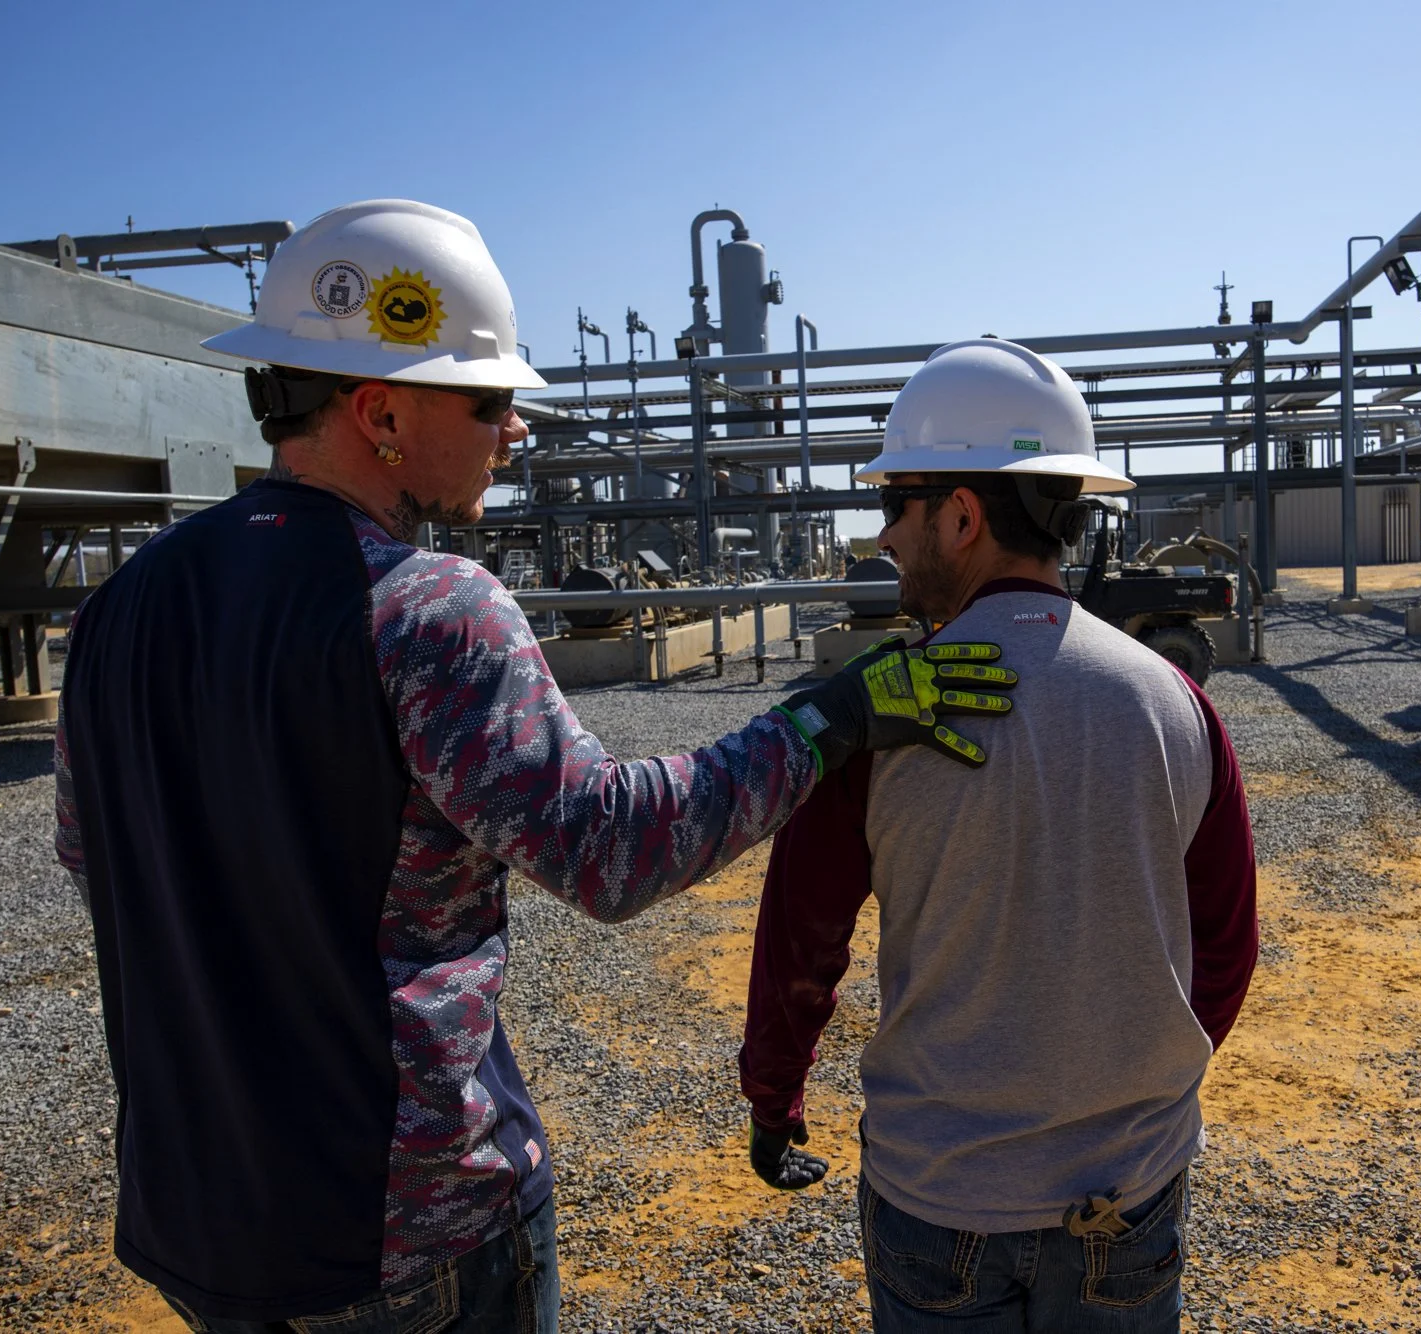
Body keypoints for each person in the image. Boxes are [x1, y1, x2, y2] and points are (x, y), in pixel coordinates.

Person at [52, 200, 1024, 1332]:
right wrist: (826, 719)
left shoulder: (120, 609)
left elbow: (96, 860)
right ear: (378, 412)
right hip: (403, 1231)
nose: (515, 429)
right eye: (489, 399)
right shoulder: (427, 608)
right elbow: (611, 851)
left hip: (200, 1215)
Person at [737, 338, 1258, 1332]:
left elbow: (800, 940)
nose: (884, 535)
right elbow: (1223, 944)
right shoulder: (1174, 702)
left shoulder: (878, 716)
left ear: (962, 514)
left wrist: (775, 1094)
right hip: (1126, 1193)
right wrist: (1132, 1091)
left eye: (895, 506)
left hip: (940, 1198)